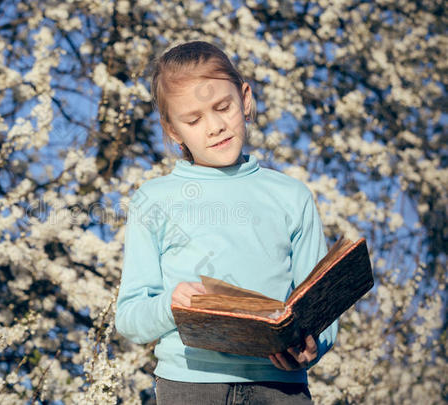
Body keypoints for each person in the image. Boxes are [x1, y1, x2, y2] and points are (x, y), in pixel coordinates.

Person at [115, 40, 338, 405]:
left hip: (282, 387)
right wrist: (170, 306)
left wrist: (313, 343)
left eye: (223, 107)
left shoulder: (291, 196)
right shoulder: (152, 200)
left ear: (245, 99)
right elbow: (129, 317)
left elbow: (322, 303)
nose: (215, 126)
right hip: (189, 387)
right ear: (173, 130)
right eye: (194, 119)